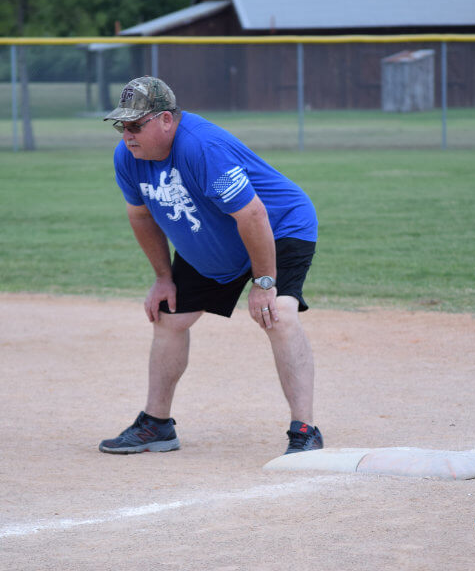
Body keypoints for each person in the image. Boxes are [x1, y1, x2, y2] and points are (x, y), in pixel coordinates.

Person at [98, 76, 322, 456]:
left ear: (166, 120)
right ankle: (156, 425)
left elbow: (253, 214)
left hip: (278, 225)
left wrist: (264, 282)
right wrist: (163, 278)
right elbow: (141, 218)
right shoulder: (129, 159)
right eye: (123, 126)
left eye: (137, 125)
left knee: (278, 314)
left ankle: (304, 430)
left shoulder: (202, 147)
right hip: (214, 236)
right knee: (170, 316)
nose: (127, 135)